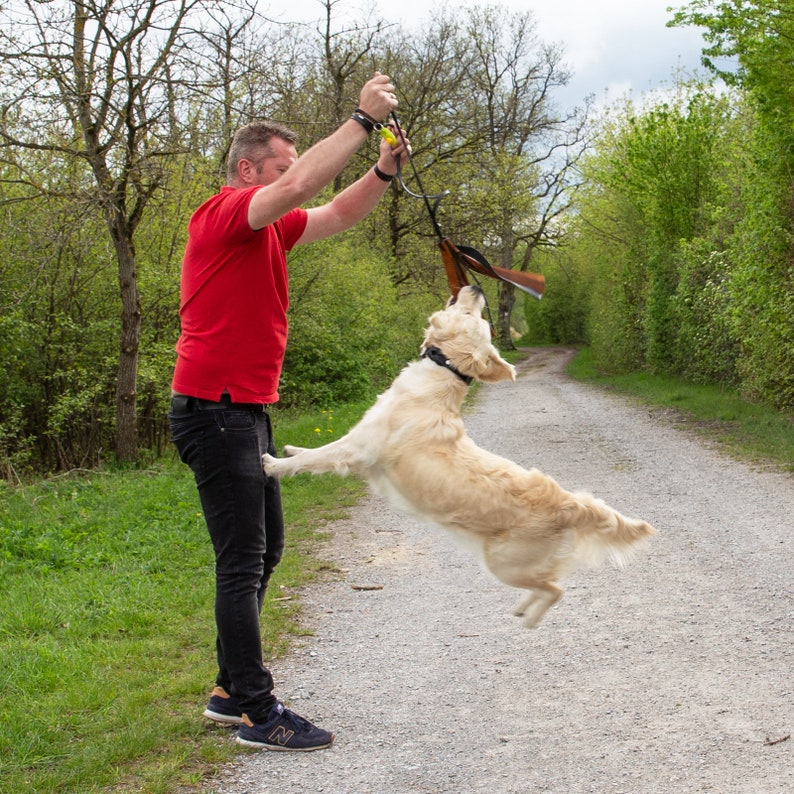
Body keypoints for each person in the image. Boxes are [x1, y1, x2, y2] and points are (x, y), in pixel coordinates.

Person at [168, 72, 409, 752]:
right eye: (279, 165)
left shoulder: (266, 231)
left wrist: (382, 171)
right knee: (242, 560)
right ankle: (255, 708)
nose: (292, 174)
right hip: (215, 411)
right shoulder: (224, 213)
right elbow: (304, 188)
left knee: (265, 549)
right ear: (248, 171)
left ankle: (225, 692)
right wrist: (360, 122)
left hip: (242, 410)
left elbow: (333, 214)